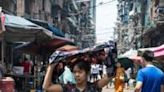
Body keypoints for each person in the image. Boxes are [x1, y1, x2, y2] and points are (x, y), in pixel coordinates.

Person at [43, 58, 112, 92]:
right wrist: (51, 67)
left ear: (87, 73)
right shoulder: (68, 88)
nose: (77, 75)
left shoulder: (93, 87)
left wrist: (105, 59)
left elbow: (110, 74)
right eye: (74, 72)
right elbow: (47, 87)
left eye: (80, 72)